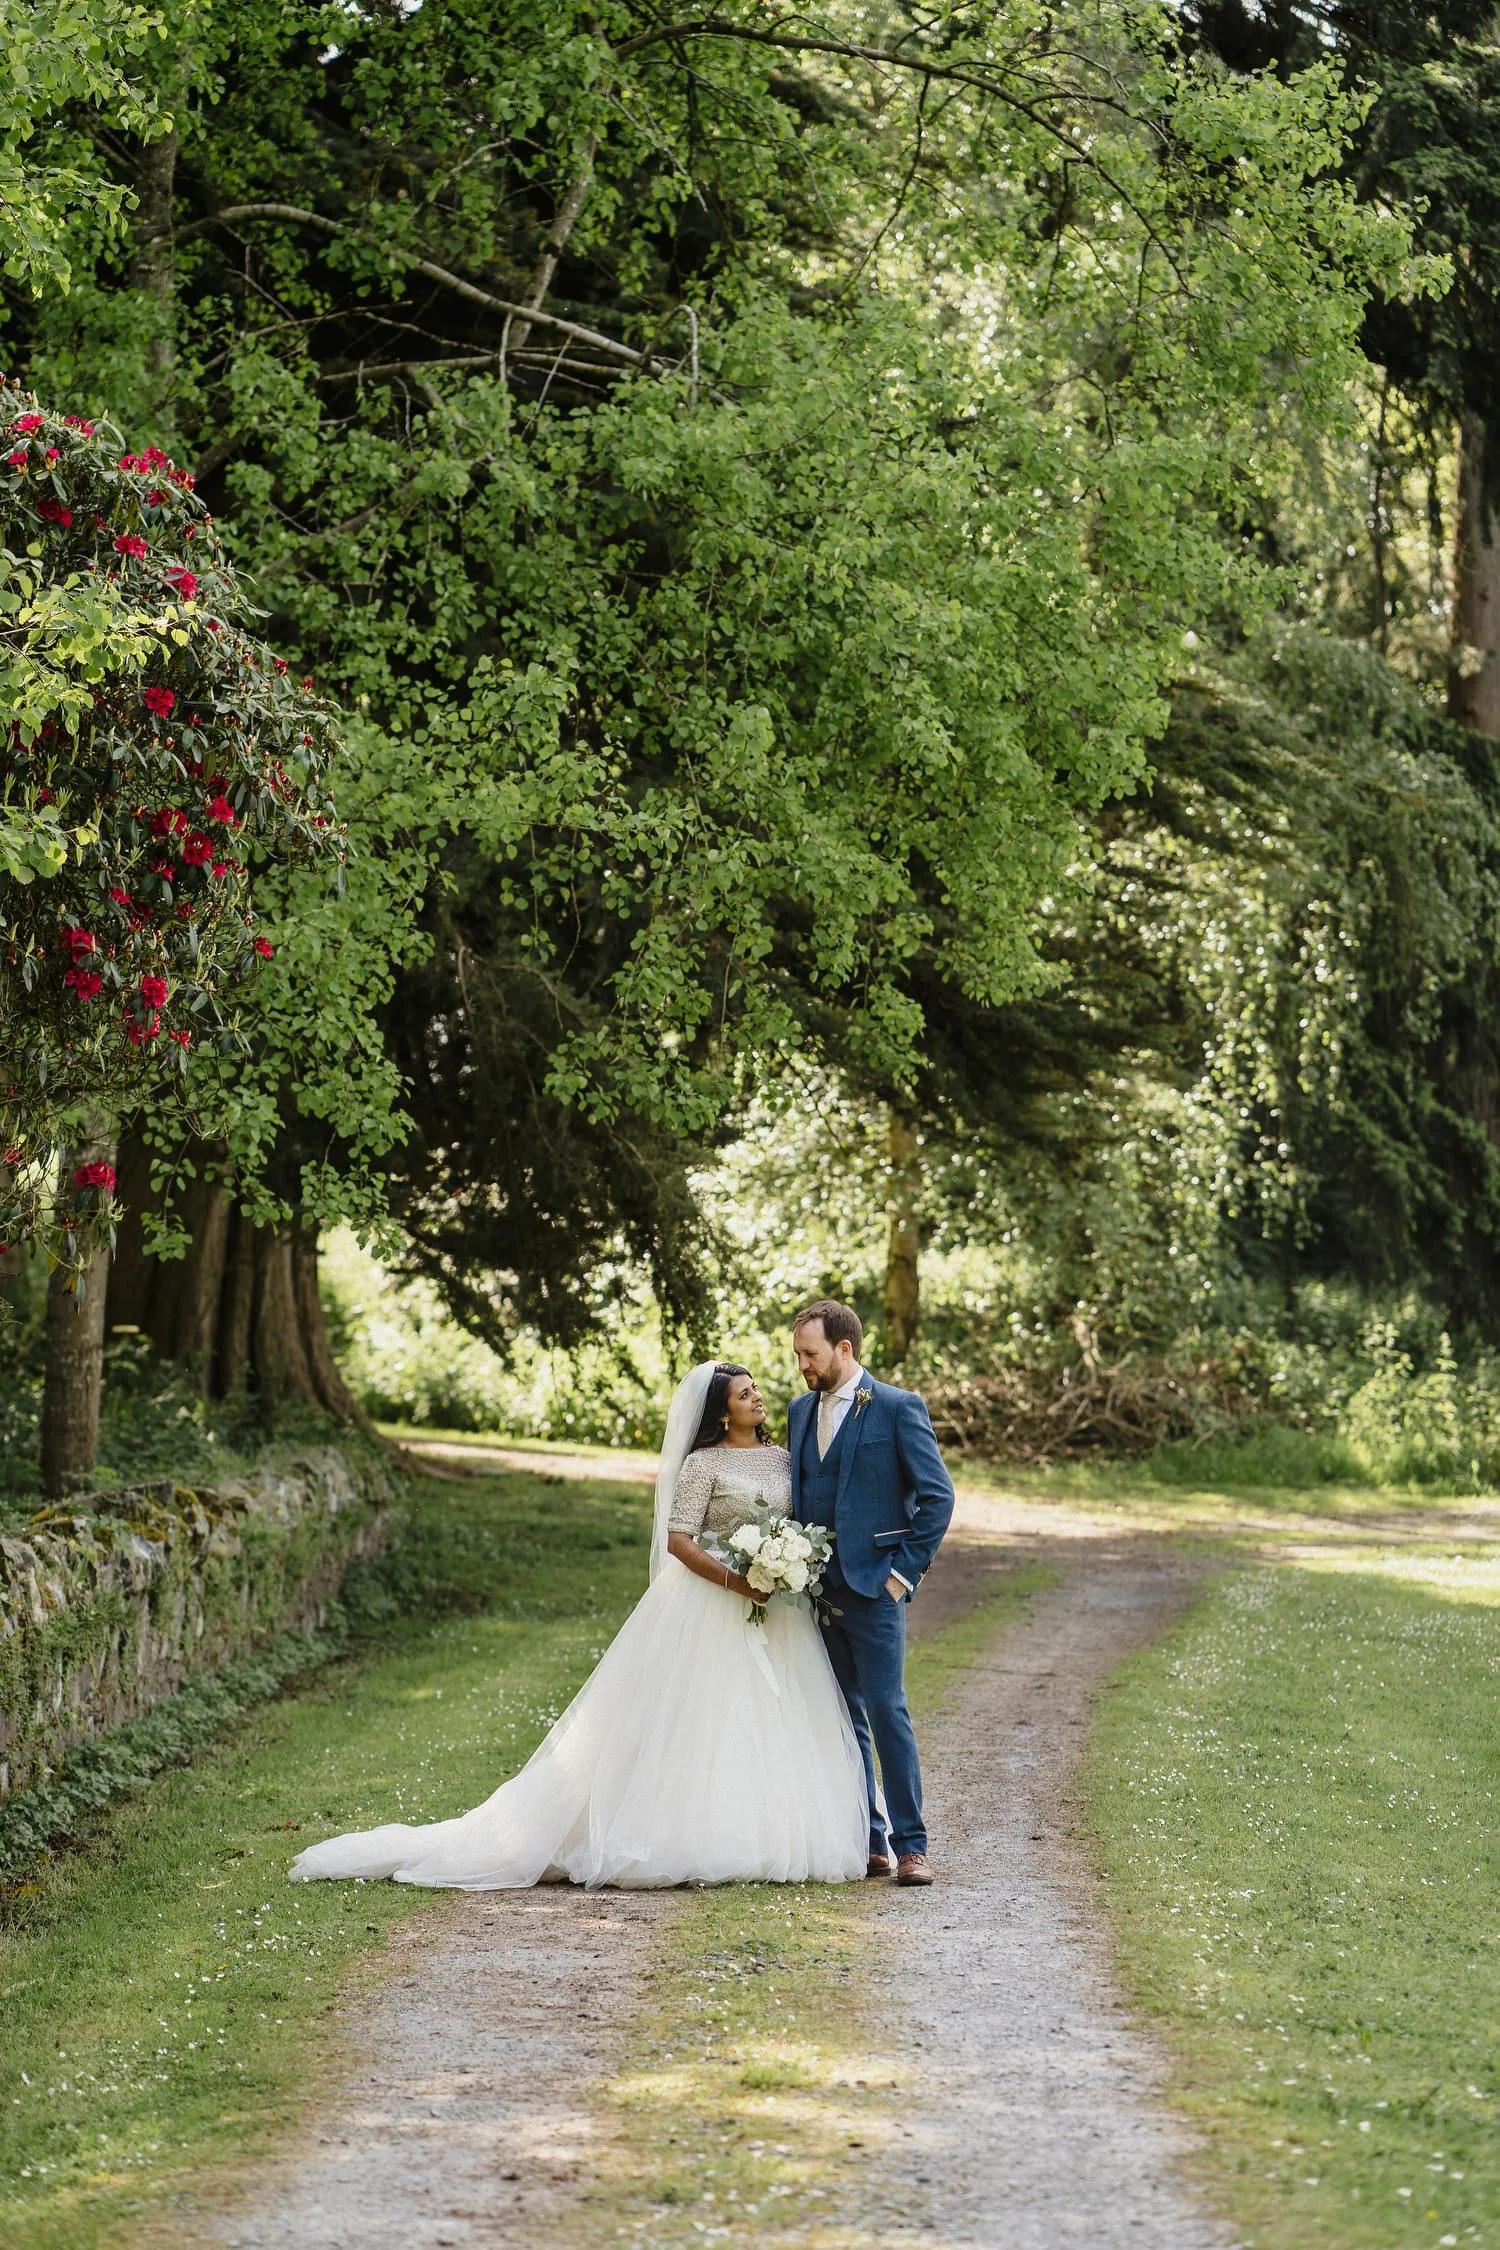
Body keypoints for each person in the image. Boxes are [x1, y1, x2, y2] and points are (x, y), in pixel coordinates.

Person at [288, 1361, 867, 1890]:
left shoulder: (782, 1458)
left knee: (774, 1713)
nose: (758, 1399)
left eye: (756, 1391)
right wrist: (736, 1580)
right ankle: (694, 1836)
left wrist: (786, 1565)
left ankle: (769, 1832)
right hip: (711, 1603)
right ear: (721, 1411)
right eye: (746, 1395)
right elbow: (679, 1540)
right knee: (704, 1716)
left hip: (777, 1610)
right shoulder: (702, 1464)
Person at [790, 1299, 955, 1887]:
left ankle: (913, 1847)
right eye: (798, 1356)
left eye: (810, 1355)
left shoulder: (896, 1408)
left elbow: (937, 1498)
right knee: (843, 1715)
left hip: (875, 1588)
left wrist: (901, 1575)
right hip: (816, 1591)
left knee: (888, 1711)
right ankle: (870, 1839)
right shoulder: (797, 1411)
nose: (803, 1366)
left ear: (844, 1348)